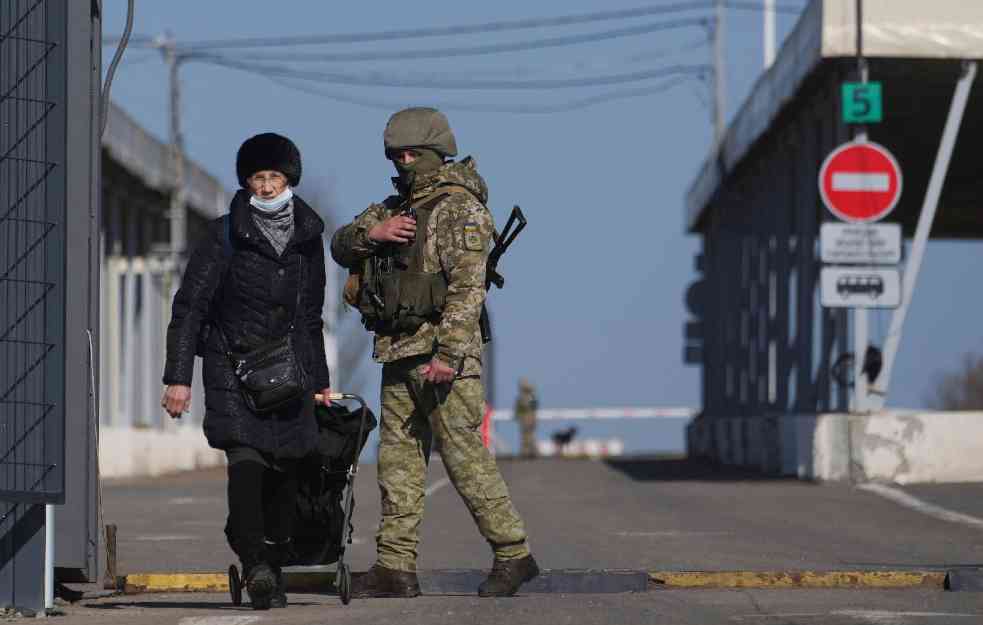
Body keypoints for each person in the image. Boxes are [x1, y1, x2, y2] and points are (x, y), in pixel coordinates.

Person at [331, 107, 539, 598]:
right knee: (397, 464)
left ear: (434, 152)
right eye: (396, 154)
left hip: (442, 357)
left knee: (464, 456)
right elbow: (341, 245)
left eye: (412, 154)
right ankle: (394, 567)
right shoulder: (391, 208)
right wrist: (372, 235)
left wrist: (447, 353)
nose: (404, 162)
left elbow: (469, 288)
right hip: (397, 349)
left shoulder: (459, 208)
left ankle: (514, 553)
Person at [161, 133, 332, 610]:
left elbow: (311, 316)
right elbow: (190, 307)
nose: (267, 186)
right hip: (232, 368)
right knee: (247, 463)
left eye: (275, 176)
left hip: (291, 374)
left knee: (286, 472)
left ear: (289, 178)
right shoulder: (224, 234)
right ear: (247, 181)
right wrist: (178, 377)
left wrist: (320, 383)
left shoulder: (308, 237)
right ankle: (255, 561)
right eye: (258, 177)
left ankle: (271, 567)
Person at [514, 378, 539, 459]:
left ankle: (527, 452)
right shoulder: (531, 396)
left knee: (527, 437)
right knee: (528, 436)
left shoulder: (524, 397)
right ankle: (529, 452)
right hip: (529, 419)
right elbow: (534, 406)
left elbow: (519, 408)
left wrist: (517, 415)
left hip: (527, 419)